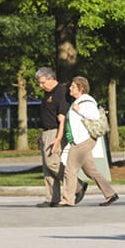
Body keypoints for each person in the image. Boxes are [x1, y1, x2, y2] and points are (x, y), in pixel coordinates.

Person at [58, 76, 118, 207]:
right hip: (80, 140)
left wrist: (80, 110)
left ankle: (67, 199)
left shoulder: (86, 102)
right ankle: (110, 193)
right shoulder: (78, 101)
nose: (70, 88)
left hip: (82, 141)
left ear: (81, 88)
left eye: (73, 86)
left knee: (70, 170)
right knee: (91, 171)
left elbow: (95, 116)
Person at [35, 67, 86, 207]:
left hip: (56, 131)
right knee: (47, 167)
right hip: (47, 132)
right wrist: (42, 135)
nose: (41, 86)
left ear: (51, 79)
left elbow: (62, 118)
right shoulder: (47, 93)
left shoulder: (61, 92)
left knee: (52, 162)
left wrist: (58, 138)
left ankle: (77, 185)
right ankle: (52, 198)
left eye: (42, 82)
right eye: (39, 83)